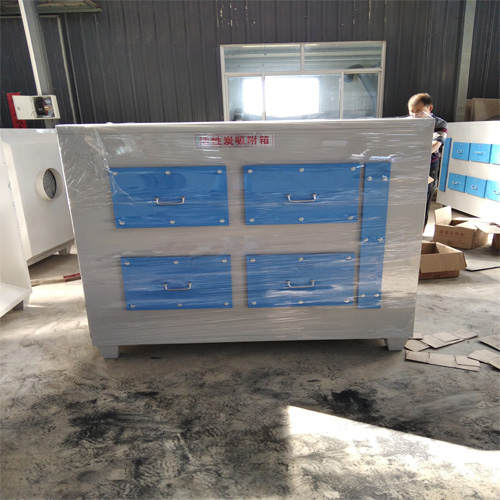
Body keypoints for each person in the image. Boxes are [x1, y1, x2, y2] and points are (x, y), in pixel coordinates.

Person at [407, 93, 447, 230]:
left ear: (429, 108)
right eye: (411, 111)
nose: (414, 115)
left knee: (424, 198)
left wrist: (410, 149)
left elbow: (434, 146)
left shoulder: (439, 124)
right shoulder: (407, 123)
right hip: (408, 165)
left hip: (429, 166)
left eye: (418, 111)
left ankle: (419, 232)